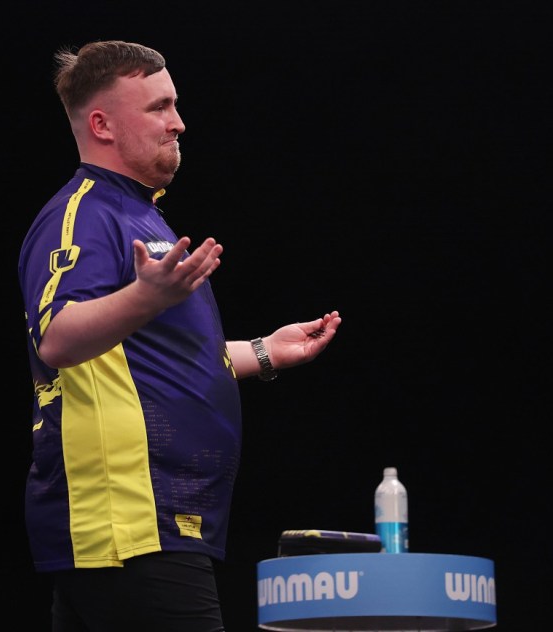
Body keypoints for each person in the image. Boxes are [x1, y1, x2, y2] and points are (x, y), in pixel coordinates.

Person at [18, 40, 342, 632]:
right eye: (159, 107)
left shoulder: (142, 215)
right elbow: (58, 339)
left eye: (175, 104)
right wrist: (147, 296)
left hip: (161, 525)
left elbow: (154, 363)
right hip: (130, 525)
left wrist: (265, 352)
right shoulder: (84, 213)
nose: (179, 122)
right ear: (101, 124)